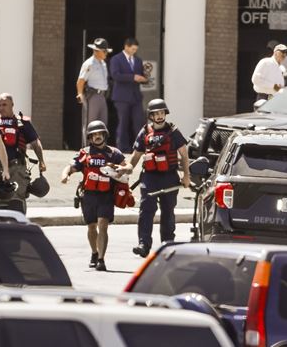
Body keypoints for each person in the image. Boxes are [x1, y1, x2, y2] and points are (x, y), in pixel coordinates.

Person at [60, 120, 129, 272]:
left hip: (106, 196)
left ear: (105, 135)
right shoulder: (84, 153)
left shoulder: (114, 153)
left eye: (100, 134)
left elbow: (128, 167)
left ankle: (101, 260)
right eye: (94, 135)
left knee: (103, 226)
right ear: (90, 138)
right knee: (92, 227)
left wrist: (120, 168)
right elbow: (71, 166)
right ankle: (94, 253)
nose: (97, 137)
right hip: (88, 196)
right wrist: (65, 175)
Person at [127, 99, 190, 258]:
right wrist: (127, 169)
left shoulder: (174, 132)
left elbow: (184, 155)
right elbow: (136, 156)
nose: (160, 116)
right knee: (146, 210)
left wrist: (186, 176)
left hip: (169, 177)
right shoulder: (144, 132)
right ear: (151, 116)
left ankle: (167, 246)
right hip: (149, 178)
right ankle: (143, 244)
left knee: (168, 212)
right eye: (156, 114)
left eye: (162, 113)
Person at [0, 93, 47, 213]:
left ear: (12, 105)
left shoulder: (22, 122)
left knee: (16, 202)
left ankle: (18, 229)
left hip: (17, 168)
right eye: (0, 105)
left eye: (5, 104)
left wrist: (41, 161)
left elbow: (35, 143)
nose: (2, 108)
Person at [109, 37, 147, 153]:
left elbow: (140, 75)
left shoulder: (138, 60)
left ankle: (140, 147)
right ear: (126, 47)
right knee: (123, 123)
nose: (134, 51)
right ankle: (122, 148)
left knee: (139, 123)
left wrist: (144, 78)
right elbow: (115, 75)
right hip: (122, 97)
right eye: (133, 49)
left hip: (136, 97)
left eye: (136, 49)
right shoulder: (116, 59)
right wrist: (133, 77)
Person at [77, 38, 112, 145]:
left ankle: (100, 148)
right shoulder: (89, 63)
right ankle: (87, 148)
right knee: (90, 123)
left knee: (102, 123)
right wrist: (80, 94)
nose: (106, 53)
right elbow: (81, 81)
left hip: (102, 96)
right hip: (92, 96)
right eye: (104, 51)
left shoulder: (103, 63)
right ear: (97, 51)